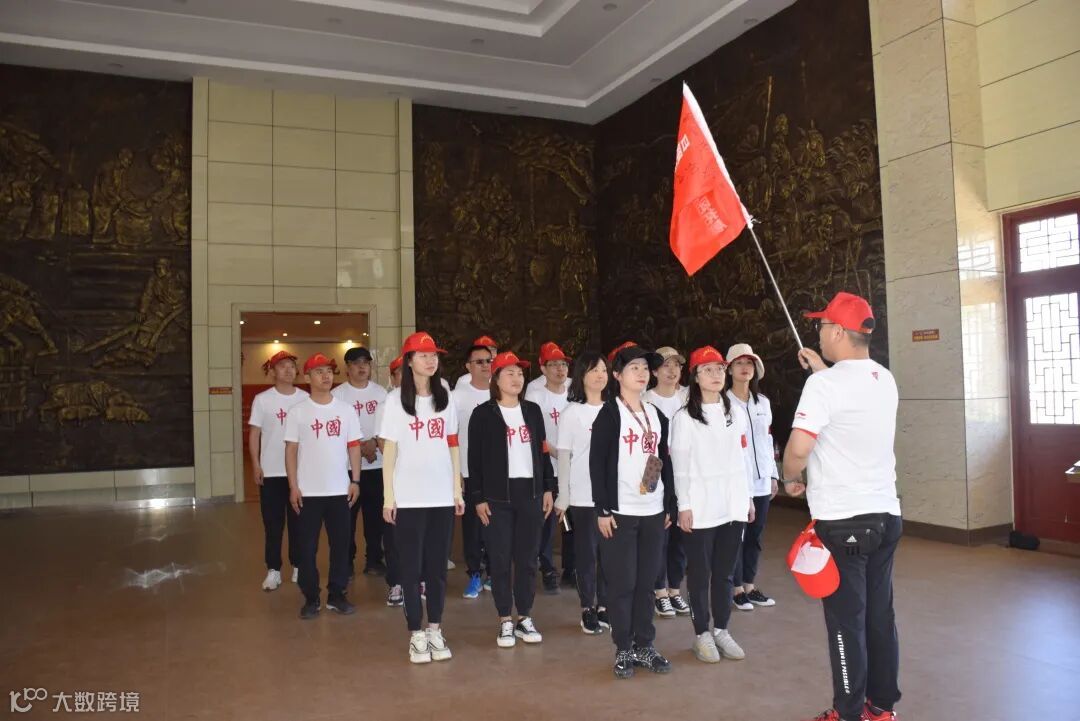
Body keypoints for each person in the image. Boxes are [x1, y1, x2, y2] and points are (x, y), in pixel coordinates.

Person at [782, 292, 902, 721]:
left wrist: (790, 477)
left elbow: (799, 448)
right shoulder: (884, 378)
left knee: (846, 621)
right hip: (886, 516)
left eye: (821, 326)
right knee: (879, 615)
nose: (818, 332)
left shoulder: (823, 386)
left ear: (836, 331)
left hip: (843, 521)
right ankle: (881, 708)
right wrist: (822, 369)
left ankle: (848, 712)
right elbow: (850, 403)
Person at [590, 344, 675, 679]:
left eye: (644, 368)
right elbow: (597, 464)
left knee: (646, 582)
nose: (641, 373)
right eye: (633, 368)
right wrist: (602, 508)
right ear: (617, 375)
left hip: (652, 509)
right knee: (622, 583)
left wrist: (669, 504)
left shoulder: (656, 414)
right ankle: (623, 646)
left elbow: (661, 460)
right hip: (619, 511)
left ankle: (644, 644)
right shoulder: (610, 414)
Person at [381, 332, 464, 664]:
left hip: (441, 495)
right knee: (411, 569)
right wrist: (388, 498)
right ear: (409, 361)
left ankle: (435, 629)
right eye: (424, 355)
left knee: (437, 569)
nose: (431, 360)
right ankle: (416, 633)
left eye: (434, 355)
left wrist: (456, 490)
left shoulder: (445, 396)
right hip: (408, 498)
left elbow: (453, 445)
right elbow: (389, 452)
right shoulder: (394, 401)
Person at [671, 346, 754, 663]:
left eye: (719, 368)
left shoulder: (735, 412)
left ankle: (721, 629)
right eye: (708, 370)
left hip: (732, 505)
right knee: (700, 574)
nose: (716, 375)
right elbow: (680, 466)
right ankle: (701, 634)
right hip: (700, 507)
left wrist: (747, 497)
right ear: (695, 377)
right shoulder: (684, 418)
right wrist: (684, 505)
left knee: (724, 573)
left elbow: (743, 458)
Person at [468, 351, 554, 648]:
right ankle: (505, 617)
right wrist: (478, 497)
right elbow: (474, 460)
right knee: (500, 558)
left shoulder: (532, 411)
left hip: (530, 493)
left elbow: (543, 452)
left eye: (520, 373)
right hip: (497, 497)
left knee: (528, 559)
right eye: (510, 373)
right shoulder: (483, 414)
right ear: (496, 378)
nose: (517, 378)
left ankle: (525, 616)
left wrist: (548, 488)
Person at [284, 354, 362, 620]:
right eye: (318, 372)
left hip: (339, 490)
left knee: (341, 546)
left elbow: (354, 447)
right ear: (307, 377)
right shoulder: (298, 412)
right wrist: (293, 486)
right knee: (306, 548)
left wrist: (355, 480)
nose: (326, 376)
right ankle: (311, 597)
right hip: (308, 492)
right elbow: (291, 451)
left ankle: (337, 595)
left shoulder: (346, 410)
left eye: (328, 371)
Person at [554, 351, 610, 635]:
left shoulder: (615, 410)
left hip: (613, 496)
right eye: (593, 370)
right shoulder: (572, 413)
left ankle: (604, 606)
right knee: (587, 555)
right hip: (583, 495)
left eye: (603, 370)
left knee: (609, 555)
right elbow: (564, 457)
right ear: (581, 376)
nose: (600, 375)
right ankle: (588, 606)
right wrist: (563, 496)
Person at [725, 342, 780, 611]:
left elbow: (767, 440)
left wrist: (773, 474)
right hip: (737, 481)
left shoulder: (763, 403)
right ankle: (736, 588)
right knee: (737, 536)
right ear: (729, 369)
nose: (745, 368)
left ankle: (749, 585)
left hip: (761, 481)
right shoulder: (723, 404)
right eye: (739, 363)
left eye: (749, 363)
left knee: (755, 536)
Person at [248, 351, 309, 591]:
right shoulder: (263, 400)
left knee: (299, 523)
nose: (288, 370)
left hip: (300, 473)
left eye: (291, 366)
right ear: (272, 371)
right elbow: (255, 434)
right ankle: (273, 569)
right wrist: (256, 464)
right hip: (272, 472)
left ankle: (298, 565)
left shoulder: (305, 398)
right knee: (273, 524)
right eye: (282, 366)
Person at [332, 347, 389, 578]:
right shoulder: (337, 395)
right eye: (356, 363)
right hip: (347, 468)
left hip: (377, 465)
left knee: (375, 518)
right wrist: (359, 447)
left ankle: (374, 560)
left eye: (366, 362)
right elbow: (334, 431)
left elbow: (388, 425)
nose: (362, 367)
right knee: (347, 519)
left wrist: (374, 442)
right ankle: (346, 562)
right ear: (347, 368)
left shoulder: (381, 393)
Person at [643, 346, 690, 618]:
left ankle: (674, 589)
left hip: (684, 466)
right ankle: (659, 591)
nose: (672, 370)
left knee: (681, 532)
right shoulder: (646, 399)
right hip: (654, 465)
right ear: (654, 371)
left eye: (677, 365)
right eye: (665, 365)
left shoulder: (688, 398)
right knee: (659, 529)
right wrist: (647, 484)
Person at [526, 341, 573, 593]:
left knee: (574, 520)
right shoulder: (535, 395)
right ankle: (547, 568)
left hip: (575, 467)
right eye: (553, 364)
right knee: (547, 521)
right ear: (543, 369)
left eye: (563, 364)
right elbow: (535, 434)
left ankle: (572, 568)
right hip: (550, 467)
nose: (560, 369)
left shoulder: (575, 390)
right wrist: (559, 453)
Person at [453, 342, 495, 598]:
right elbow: (451, 436)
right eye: (479, 362)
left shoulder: (501, 391)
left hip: (497, 473)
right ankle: (475, 574)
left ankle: (494, 572)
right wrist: (456, 470)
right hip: (469, 471)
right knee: (472, 527)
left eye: (489, 361)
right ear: (468, 366)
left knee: (496, 525)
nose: (485, 366)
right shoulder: (457, 396)